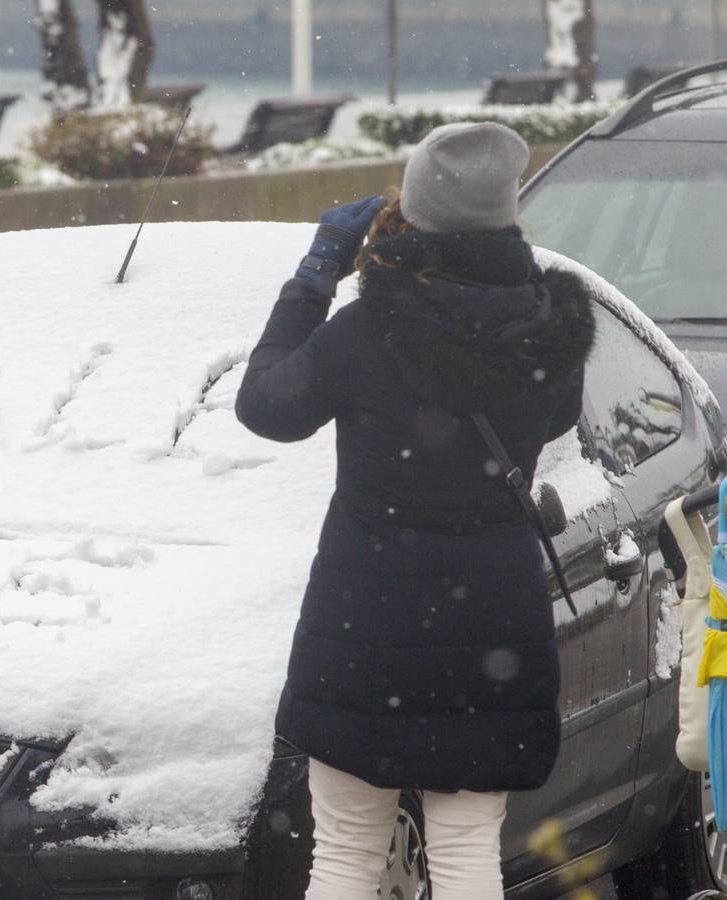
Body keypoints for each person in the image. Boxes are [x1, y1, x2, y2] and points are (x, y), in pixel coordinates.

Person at [235, 123, 596, 899]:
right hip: (491, 620)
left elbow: (266, 407)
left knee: (345, 851)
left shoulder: (367, 331)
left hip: (367, 619)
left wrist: (315, 275)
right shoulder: (548, 331)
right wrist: (503, 258)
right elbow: (556, 412)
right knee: (467, 848)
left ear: (418, 212)